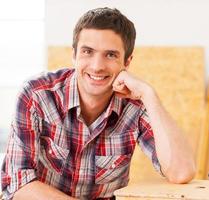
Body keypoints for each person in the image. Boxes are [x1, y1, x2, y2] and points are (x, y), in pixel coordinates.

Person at [1, 7, 195, 200]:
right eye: (87, 52)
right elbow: (18, 183)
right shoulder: (37, 94)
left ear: (127, 62)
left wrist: (149, 94)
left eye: (110, 54)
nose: (97, 66)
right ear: (74, 55)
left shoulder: (136, 105)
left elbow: (181, 172)